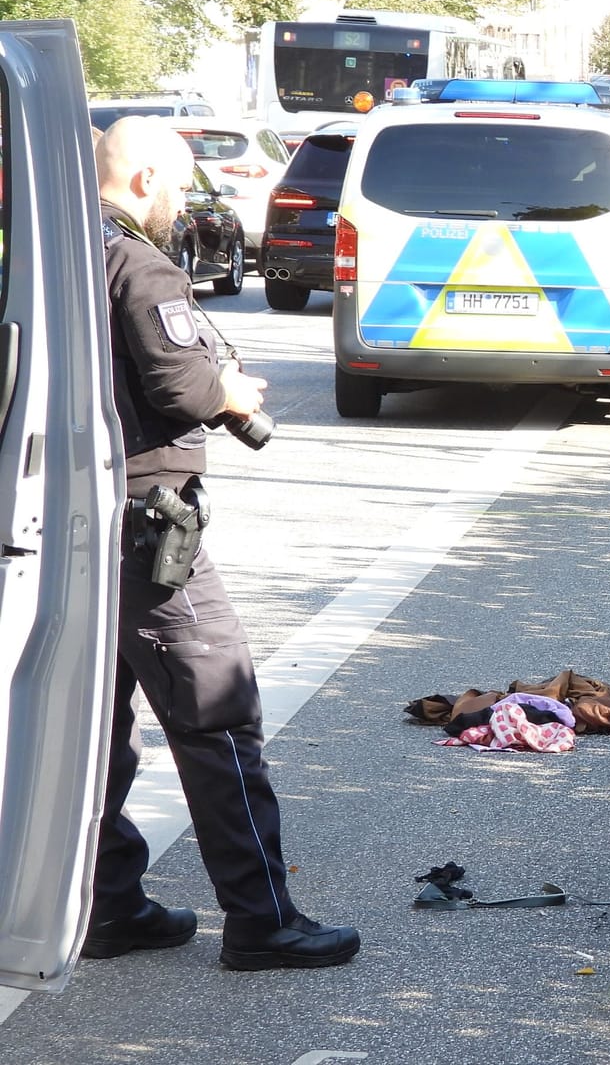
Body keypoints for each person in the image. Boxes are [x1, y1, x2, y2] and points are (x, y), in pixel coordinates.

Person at [85, 116, 360, 970]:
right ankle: (262, 919)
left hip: (83, 524)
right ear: (141, 181)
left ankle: (105, 904)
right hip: (147, 529)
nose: (181, 201)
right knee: (220, 717)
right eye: (175, 182)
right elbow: (179, 381)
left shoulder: (66, 254)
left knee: (99, 733)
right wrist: (229, 389)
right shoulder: (139, 260)